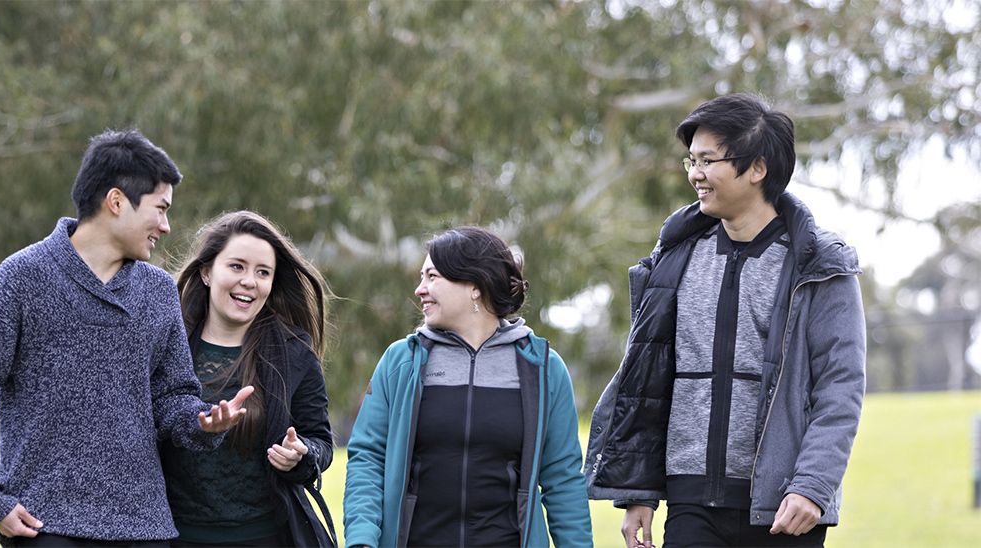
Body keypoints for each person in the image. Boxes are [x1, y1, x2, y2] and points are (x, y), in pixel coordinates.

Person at [0, 129, 253, 546]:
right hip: (45, 526)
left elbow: (173, 397)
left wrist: (203, 423)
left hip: (143, 529)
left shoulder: (159, 291)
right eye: (160, 209)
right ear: (116, 201)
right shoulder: (21, 277)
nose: (166, 226)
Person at [585, 93, 867, 548]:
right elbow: (649, 377)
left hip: (785, 507)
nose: (695, 174)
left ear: (757, 168)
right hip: (691, 502)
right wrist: (638, 491)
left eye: (708, 160)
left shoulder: (820, 266)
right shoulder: (674, 257)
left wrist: (813, 485)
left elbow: (841, 386)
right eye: (691, 161)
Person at [344, 226, 593, 548]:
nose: (420, 289)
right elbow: (368, 457)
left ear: (475, 286)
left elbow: (562, 478)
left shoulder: (543, 367)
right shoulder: (401, 361)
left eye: (432, 277)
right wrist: (362, 539)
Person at [161, 210, 336, 547]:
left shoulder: (294, 352)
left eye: (262, 272)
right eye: (237, 266)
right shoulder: (167, 342)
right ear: (207, 272)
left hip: (267, 537)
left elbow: (320, 442)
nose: (249, 281)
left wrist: (300, 455)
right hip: (177, 537)